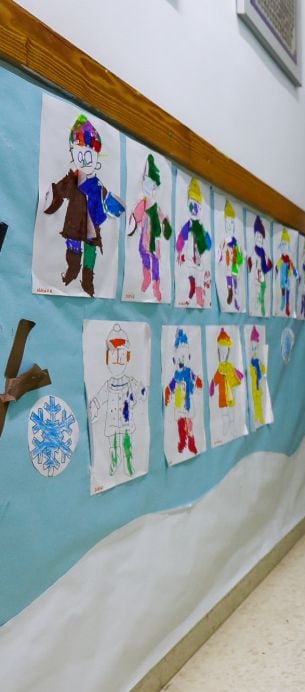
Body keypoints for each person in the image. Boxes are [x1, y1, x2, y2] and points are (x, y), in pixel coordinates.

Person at [43, 114, 124, 296]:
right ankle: (71, 273)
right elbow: (59, 191)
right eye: (81, 154)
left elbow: (106, 203)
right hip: (73, 226)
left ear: (97, 157)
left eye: (90, 155)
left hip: (91, 230)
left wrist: (114, 207)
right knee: (73, 251)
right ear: (73, 154)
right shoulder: (72, 179)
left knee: (89, 256)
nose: (86, 159)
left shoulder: (97, 185)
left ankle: (87, 282)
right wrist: (51, 198)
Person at [88, 324, 146, 476]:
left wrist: (142, 391)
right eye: (114, 356)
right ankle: (114, 461)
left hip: (125, 420)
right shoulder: (108, 385)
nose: (118, 361)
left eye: (121, 356)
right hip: (112, 420)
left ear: (127, 358)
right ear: (107, 359)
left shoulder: (130, 381)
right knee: (113, 442)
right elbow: (100, 397)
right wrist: (94, 405)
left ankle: (128, 462)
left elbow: (141, 390)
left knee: (127, 441)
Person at [128, 154, 171, 301]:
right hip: (143, 237)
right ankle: (147, 277)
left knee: (155, 259)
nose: (147, 184)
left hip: (154, 239)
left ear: (154, 185)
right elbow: (136, 216)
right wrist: (133, 220)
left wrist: (165, 223)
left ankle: (156, 285)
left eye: (151, 182)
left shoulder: (155, 206)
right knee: (144, 253)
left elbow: (161, 216)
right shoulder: (143, 202)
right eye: (145, 180)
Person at [164, 328, 203, 455]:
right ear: (175, 359)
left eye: (183, 357)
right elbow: (171, 385)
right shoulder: (176, 374)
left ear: (187, 357)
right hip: (179, 403)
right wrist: (168, 392)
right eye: (178, 358)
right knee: (180, 423)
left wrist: (198, 382)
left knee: (189, 423)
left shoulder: (188, 372)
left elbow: (196, 379)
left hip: (188, 402)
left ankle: (191, 441)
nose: (180, 361)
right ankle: (182, 441)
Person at [176, 178, 213, 306]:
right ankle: (192, 290)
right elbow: (181, 239)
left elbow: (208, 243)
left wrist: (206, 238)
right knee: (191, 276)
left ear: (200, 207)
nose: (193, 209)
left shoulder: (200, 227)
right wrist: (179, 251)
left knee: (199, 280)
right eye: (191, 205)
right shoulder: (188, 225)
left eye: (195, 206)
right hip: (189, 259)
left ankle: (199, 299)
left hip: (199, 262)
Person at [220, 200, 244, 310]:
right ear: (224, 224)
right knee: (229, 279)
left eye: (232, 223)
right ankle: (230, 291)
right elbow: (221, 251)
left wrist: (240, 254)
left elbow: (240, 260)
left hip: (234, 268)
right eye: (227, 223)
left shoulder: (236, 243)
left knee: (236, 284)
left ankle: (236, 299)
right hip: (227, 266)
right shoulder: (225, 241)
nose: (230, 226)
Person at [248, 216, 273, 315]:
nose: (259, 239)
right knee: (257, 289)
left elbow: (268, 261)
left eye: (261, 237)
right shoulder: (255, 250)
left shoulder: (263, 251)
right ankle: (257, 304)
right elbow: (251, 260)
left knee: (262, 288)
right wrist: (250, 263)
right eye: (257, 236)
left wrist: (269, 264)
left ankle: (261, 303)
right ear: (254, 237)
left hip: (262, 273)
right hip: (256, 273)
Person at [276, 228, 298, 316]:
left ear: (288, 246)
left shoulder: (289, 260)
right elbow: (277, 266)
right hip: (282, 279)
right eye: (283, 244)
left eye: (286, 245)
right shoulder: (281, 259)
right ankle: (282, 302)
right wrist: (276, 270)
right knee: (283, 291)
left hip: (288, 279)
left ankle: (287, 306)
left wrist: (296, 274)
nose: (284, 247)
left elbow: (293, 267)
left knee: (288, 291)